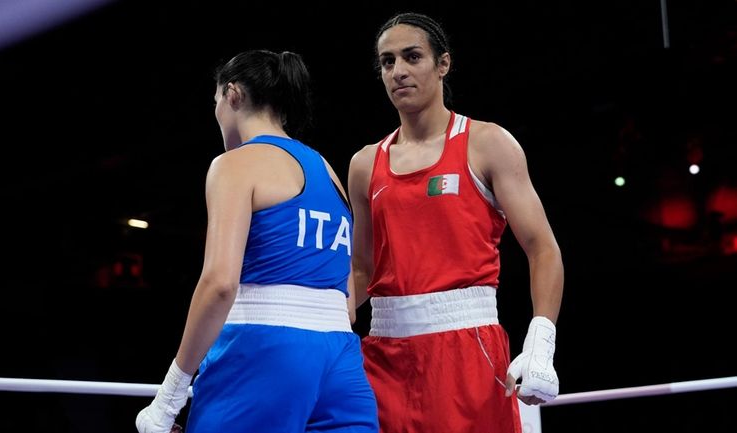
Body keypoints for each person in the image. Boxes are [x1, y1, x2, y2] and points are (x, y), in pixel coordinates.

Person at [136, 49, 379, 433]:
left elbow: (218, 285)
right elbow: (348, 305)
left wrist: (168, 399)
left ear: (232, 94)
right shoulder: (328, 171)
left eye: (215, 101)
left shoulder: (234, 164)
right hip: (341, 361)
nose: (216, 112)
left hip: (265, 354)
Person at [347, 12, 564, 433]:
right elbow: (362, 268)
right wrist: (313, 319)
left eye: (412, 57)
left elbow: (543, 248)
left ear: (442, 64)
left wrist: (542, 341)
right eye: (388, 62)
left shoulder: (488, 144)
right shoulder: (364, 164)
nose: (399, 71)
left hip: (467, 348)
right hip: (383, 356)